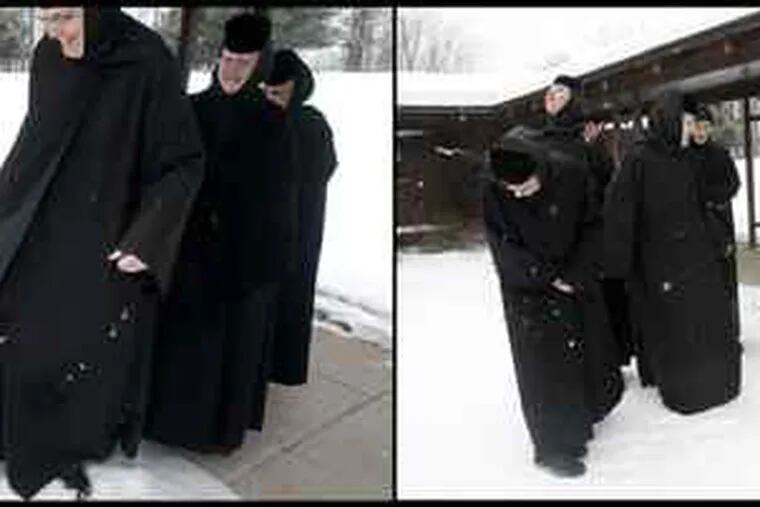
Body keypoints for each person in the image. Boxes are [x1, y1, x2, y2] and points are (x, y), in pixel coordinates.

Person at [0, 7, 204, 500]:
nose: (55, 32)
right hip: (45, 220)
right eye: (46, 19)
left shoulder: (147, 60)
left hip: (108, 232)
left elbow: (183, 161)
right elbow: (37, 135)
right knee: (21, 327)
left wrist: (147, 237)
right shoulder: (49, 55)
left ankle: (74, 437)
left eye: (65, 17)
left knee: (80, 342)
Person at [145, 12, 297, 454]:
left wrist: (260, 263)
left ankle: (213, 435)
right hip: (188, 251)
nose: (231, 70)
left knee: (224, 353)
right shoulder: (191, 109)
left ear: (259, 65)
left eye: (243, 63)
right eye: (227, 59)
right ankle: (166, 426)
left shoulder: (273, 123)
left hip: (238, 258)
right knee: (181, 347)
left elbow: (280, 200)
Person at [483, 125, 623, 478]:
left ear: (540, 168)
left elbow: (593, 225)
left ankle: (587, 412)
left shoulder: (571, 174)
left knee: (587, 353)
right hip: (528, 290)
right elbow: (502, 246)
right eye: (511, 189)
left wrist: (576, 271)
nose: (518, 194)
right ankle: (553, 445)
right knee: (544, 370)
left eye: (525, 186)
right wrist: (546, 276)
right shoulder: (494, 189)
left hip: (575, 279)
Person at [604, 91, 742, 415]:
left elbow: (708, 200)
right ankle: (687, 393)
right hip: (662, 266)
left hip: (699, 261)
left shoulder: (688, 157)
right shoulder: (639, 159)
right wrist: (621, 265)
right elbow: (619, 214)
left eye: (694, 123)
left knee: (707, 327)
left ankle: (717, 386)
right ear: (669, 120)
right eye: (687, 122)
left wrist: (717, 237)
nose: (691, 129)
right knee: (676, 333)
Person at [263, 49, 338, 386]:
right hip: (274, 225)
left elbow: (322, 169)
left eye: (278, 92)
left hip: (300, 224)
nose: (271, 99)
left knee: (289, 298)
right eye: (266, 91)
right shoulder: (266, 120)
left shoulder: (310, 124)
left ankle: (279, 366)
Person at [685, 103, 741, 341]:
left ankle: (729, 331)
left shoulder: (720, 153)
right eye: (697, 126)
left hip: (720, 226)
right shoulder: (683, 156)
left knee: (725, 281)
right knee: (700, 283)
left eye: (705, 126)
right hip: (695, 229)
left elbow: (734, 184)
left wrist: (712, 197)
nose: (701, 131)